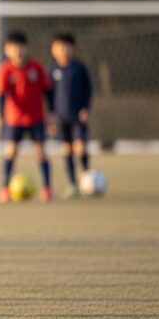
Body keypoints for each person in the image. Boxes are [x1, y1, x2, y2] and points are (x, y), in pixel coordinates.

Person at [0, 32, 53, 203]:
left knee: (40, 152)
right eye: (13, 47)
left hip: (36, 117)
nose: (17, 51)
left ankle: (47, 189)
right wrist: (0, 116)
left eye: (20, 46)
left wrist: (50, 114)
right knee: (11, 151)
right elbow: (0, 94)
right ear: (7, 50)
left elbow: (47, 91)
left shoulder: (36, 66)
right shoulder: (5, 68)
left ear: (26, 48)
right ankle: (5, 188)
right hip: (14, 119)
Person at [47, 33, 93, 199]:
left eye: (67, 46)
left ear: (73, 48)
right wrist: (50, 115)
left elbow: (88, 90)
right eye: (60, 47)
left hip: (77, 116)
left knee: (80, 147)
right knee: (67, 150)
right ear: (53, 50)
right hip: (60, 117)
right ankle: (72, 183)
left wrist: (86, 108)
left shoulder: (79, 68)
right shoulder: (51, 69)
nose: (64, 50)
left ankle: (88, 178)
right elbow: (48, 95)